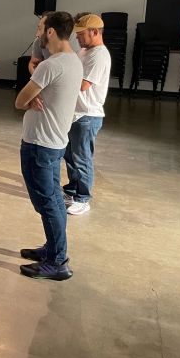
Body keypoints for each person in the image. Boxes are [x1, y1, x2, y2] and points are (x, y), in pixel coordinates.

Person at [15, 12, 83, 281]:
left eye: (40, 28)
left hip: (41, 144)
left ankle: (57, 261)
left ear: (52, 32)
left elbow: (20, 100)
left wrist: (30, 97)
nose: (38, 33)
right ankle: (53, 249)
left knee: (48, 202)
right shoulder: (73, 61)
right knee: (52, 200)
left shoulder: (51, 65)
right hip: (51, 142)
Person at [64, 14, 111, 216]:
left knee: (82, 157)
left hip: (87, 115)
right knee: (70, 155)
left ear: (94, 32)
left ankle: (83, 198)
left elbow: (83, 84)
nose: (78, 39)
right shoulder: (85, 50)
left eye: (81, 34)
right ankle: (73, 189)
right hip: (74, 113)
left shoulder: (99, 55)